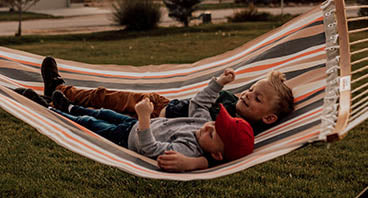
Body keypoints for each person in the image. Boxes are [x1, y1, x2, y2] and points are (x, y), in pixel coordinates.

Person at [39, 56, 294, 171]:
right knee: (105, 98)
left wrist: (192, 163)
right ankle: (60, 91)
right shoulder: (231, 102)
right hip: (163, 106)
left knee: (103, 111)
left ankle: (57, 100)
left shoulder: (241, 132)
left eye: (257, 97)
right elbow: (201, 101)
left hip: (155, 123)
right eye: (250, 89)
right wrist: (220, 81)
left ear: (269, 117)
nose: (247, 95)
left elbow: (220, 156)